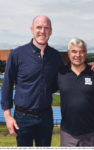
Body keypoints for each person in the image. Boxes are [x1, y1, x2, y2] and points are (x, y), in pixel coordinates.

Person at [1, 15, 64, 146]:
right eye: (39, 27)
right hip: (22, 118)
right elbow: (7, 85)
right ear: (32, 29)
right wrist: (8, 117)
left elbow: (65, 78)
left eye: (46, 28)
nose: (42, 31)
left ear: (51, 31)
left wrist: (90, 68)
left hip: (46, 116)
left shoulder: (56, 56)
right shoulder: (17, 54)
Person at [56, 38, 94, 146]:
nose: (78, 55)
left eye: (81, 51)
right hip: (67, 133)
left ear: (85, 53)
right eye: (74, 51)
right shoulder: (60, 73)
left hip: (90, 133)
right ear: (68, 53)